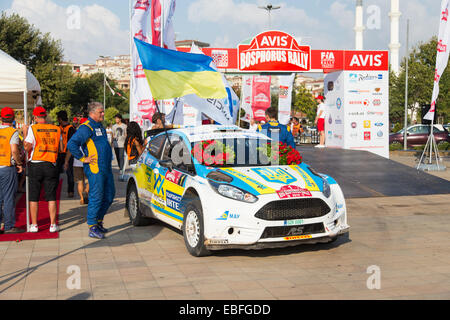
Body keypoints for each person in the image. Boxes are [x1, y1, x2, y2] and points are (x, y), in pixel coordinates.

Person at [67, 102, 115, 239]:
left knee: (110, 195)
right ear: (92, 113)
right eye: (101, 112)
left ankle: (99, 221)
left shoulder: (100, 125)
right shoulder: (86, 127)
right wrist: (83, 158)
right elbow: (71, 143)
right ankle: (92, 226)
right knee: (96, 196)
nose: (103, 114)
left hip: (106, 168)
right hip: (95, 168)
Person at [24, 106, 61, 233]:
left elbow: (27, 147)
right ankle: (52, 225)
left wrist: (24, 133)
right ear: (45, 116)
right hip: (51, 164)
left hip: (36, 164)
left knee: (34, 196)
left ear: (35, 117)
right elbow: (61, 147)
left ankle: (34, 225)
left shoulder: (33, 128)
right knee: (51, 196)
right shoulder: (56, 129)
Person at [0, 107, 24, 234]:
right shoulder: (12, 132)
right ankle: (9, 226)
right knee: (9, 197)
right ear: (13, 118)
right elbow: (14, 150)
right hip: (7, 167)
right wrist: (19, 163)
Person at [64, 118, 89, 205]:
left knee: (80, 181)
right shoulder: (90, 134)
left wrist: (66, 161)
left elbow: (70, 149)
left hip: (77, 162)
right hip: (88, 161)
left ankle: (82, 199)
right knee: (88, 181)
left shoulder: (75, 135)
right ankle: (86, 191)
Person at [57, 110, 76, 198]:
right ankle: (54, 190)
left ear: (60, 119)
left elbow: (72, 143)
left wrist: (67, 159)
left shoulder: (71, 128)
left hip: (68, 153)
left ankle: (70, 191)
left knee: (70, 173)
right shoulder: (57, 128)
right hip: (59, 154)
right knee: (55, 173)